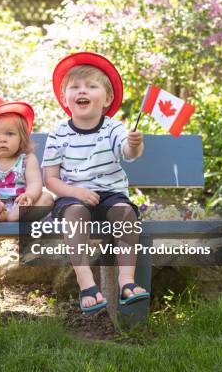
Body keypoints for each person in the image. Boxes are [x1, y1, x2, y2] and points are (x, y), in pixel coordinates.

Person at [42, 52, 150, 313]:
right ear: (65, 98)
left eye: (92, 86)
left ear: (107, 99)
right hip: (72, 196)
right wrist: (75, 192)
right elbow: (50, 179)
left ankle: (126, 282)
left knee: (125, 214)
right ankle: (86, 283)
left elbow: (128, 152)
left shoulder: (113, 129)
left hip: (111, 195)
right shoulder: (58, 134)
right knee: (75, 214)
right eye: (75, 87)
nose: (83, 91)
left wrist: (135, 144)